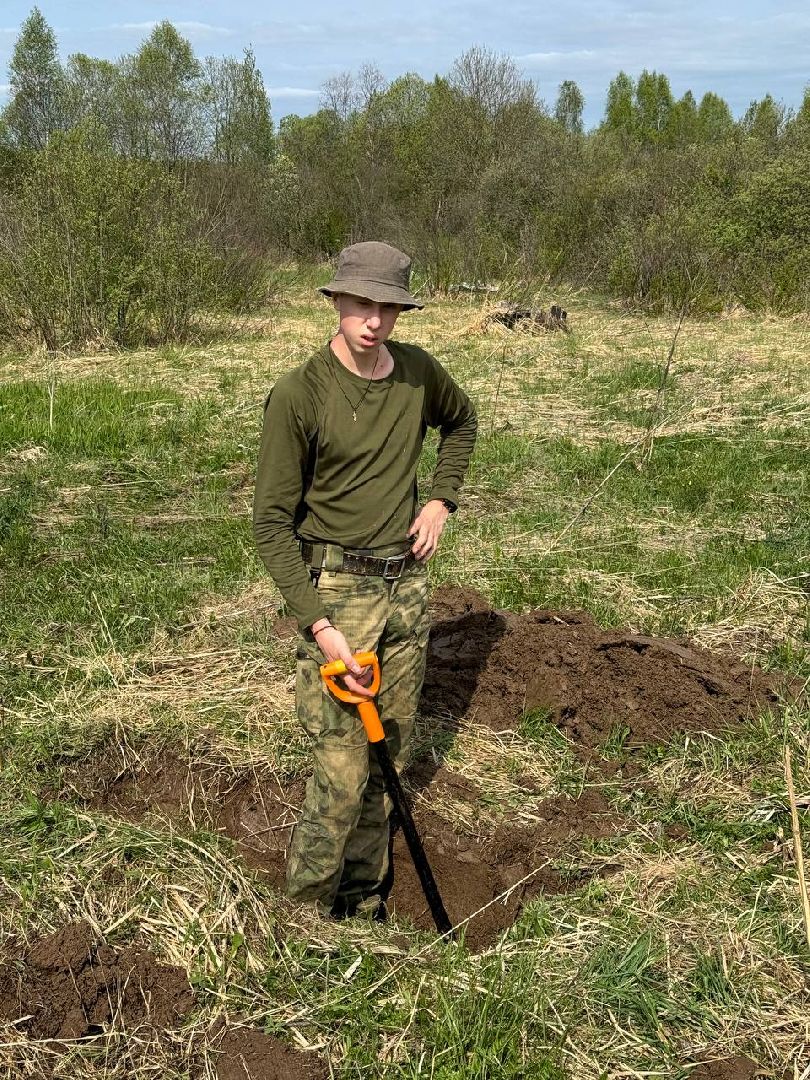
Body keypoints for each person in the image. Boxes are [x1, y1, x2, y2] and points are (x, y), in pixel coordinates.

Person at [253, 241, 477, 918]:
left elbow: (462, 422)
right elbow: (270, 527)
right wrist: (319, 626)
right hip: (339, 591)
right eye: (361, 304)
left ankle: (364, 897)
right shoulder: (301, 394)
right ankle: (306, 913)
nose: (374, 320)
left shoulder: (415, 373)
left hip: (406, 586)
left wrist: (440, 500)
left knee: (390, 759)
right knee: (343, 771)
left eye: (388, 307)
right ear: (337, 300)